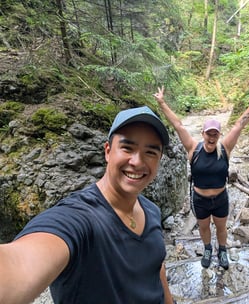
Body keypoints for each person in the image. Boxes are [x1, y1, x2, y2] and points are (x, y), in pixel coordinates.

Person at [0, 106, 174, 304]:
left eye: (150, 152)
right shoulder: (79, 217)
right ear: (108, 151)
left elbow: (155, 264)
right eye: (127, 148)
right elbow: (19, 263)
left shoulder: (151, 210)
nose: (137, 161)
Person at [153, 84, 249, 270]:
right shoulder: (193, 149)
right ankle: (207, 249)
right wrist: (162, 103)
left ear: (219, 135)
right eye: (208, 133)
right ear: (203, 133)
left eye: (215, 134)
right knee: (204, 228)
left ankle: (222, 250)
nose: (212, 137)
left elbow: (239, 125)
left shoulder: (225, 148)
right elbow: (178, 125)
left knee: (221, 228)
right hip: (200, 199)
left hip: (220, 198)